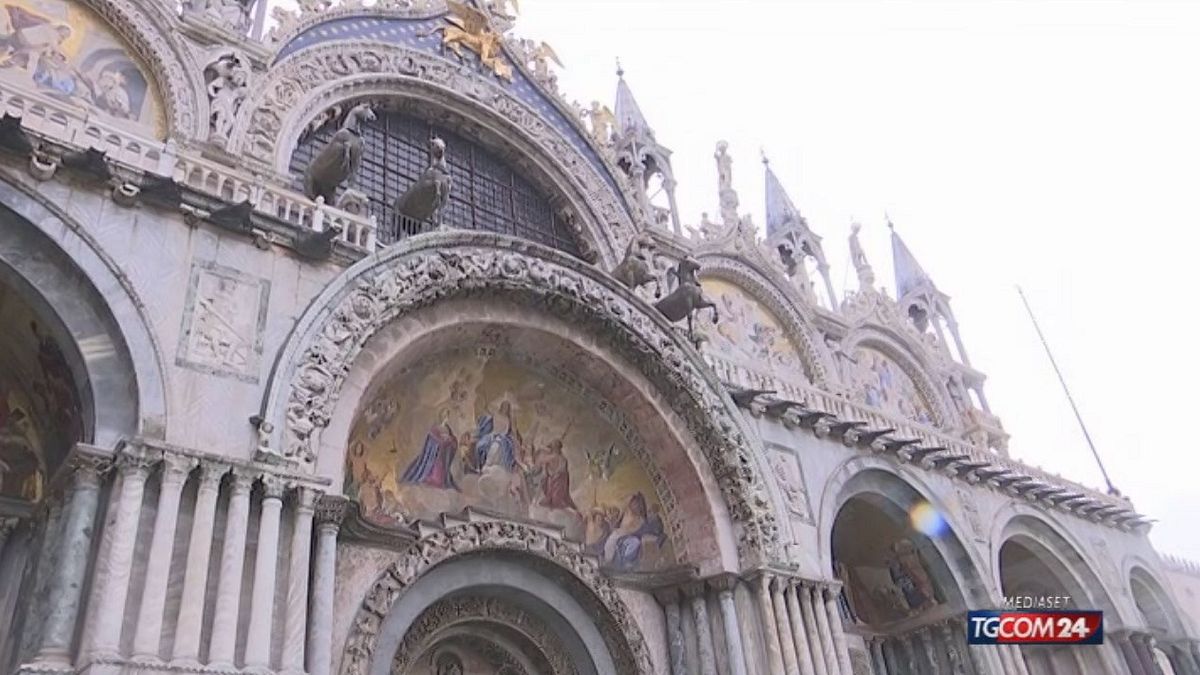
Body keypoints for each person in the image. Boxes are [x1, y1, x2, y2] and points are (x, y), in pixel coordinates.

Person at [399, 409, 459, 490]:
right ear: (441, 417)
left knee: (440, 475)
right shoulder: (435, 428)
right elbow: (432, 439)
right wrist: (442, 440)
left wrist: (450, 440)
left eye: (447, 416)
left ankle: (440, 480)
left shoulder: (447, 428)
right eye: (444, 416)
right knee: (433, 473)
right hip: (434, 454)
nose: (446, 418)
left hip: (442, 454)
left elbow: (452, 439)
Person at [536, 439, 576, 511]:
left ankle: (555, 501)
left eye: (554, 447)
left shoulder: (559, 458)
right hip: (554, 482)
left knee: (558, 497)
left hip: (559, 483)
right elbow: (542, 462)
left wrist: (543, 448)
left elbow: (561, 472)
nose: (553, 449)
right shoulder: (556, 457)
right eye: (553, 447)